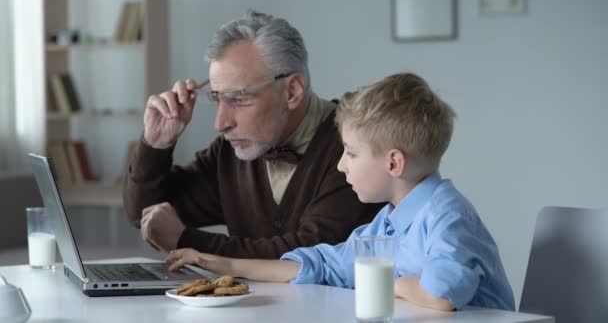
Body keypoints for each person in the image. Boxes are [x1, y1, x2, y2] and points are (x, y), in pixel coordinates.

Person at [165, 73, 516, 311]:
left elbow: (439, 296)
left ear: (393, 163)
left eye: (351, 153)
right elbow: (323, 264)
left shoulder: (447, 215)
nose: (340, 166)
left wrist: (388, 284)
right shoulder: (387, 222)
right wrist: (224, 264)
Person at [123, 10, 379, 258]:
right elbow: (146, 215)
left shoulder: (356, 147)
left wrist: (186, 241)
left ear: (292, 91)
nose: (220, 123)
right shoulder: (228, 153)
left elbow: (309, 254)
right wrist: (156, 144)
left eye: (236, 99)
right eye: (217, 99)